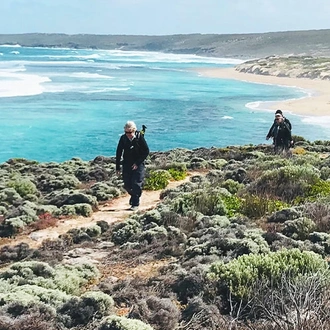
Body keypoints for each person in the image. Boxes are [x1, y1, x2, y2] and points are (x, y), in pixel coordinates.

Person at [116, 121, 149, 211]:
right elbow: (119, 152)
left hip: (138, 165)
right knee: (127, 185)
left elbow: (146, 151)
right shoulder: (123, 138)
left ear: (134, 130)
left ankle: (135, 203)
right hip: (127, 164)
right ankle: (135, 195)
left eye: (130, 132)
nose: (128, 134)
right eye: (126, 132)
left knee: (136, 184)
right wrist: (117, 166)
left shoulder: (139, 137)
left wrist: (137, 163)